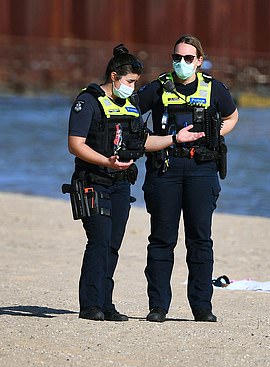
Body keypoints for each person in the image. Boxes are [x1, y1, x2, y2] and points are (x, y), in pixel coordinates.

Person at [67, 44, 205, 321]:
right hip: (93, 180)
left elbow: (144, 141)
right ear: (115, 76)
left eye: (135, 83)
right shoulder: (88, 102)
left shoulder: (129, 107)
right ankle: (90, 305)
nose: (132, 87)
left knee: (113, 244)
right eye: (130, 81)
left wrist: (176, 138)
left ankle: (106, 303)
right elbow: (75, 145)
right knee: (99, 241)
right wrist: (106, 161)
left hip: (120, 183)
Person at [136, 34, 239, 323]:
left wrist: (214, 134)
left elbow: (232, 117)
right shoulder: (157, 88)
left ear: (199, 61)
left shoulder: (213, 89)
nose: (181, 63)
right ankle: (158, 306)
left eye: (188, 58)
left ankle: (202, 307)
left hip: (201, 170)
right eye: (177, 58)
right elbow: (129, 113)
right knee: (161, 241)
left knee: (200, 241)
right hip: (165, 170)